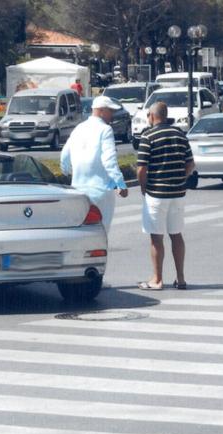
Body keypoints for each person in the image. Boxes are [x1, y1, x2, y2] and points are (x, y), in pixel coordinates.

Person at [136, 102, 195, 291]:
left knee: (156, 238)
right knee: (176, 235)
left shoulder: (148, 136)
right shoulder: (180, 134)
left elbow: (141, 169)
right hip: (178, 194)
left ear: (152, 116)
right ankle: (181, 278)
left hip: (156, 194)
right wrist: (180, 178)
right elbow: (190, 164)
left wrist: (144, 188)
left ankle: (157, 279)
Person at [60, 96, 128, 233]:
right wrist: (120, 184)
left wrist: (66, 171)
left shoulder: (79, 128)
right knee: (101, 233)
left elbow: (65, 156)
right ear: (101, 111)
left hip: (78, 190)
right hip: (101, 191)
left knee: (81, 232)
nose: (112, 115)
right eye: (110, 111)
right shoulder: (105, 130)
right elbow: (109, 160)